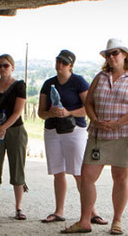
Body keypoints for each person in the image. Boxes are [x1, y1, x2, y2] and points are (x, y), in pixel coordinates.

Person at [62, 38, 128, 235]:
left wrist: (118, 123)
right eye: (108, 54)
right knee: (87, 176)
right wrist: (94, 119)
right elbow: (89, 102)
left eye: (114, 53)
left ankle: (117, 221)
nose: (111, 57)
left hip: (124, 133)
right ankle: (85, 220)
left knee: (120, 177)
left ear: (125, 54)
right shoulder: (100, 77)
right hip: (99, 134)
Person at [37, 49, 100, 223]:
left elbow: (89, 108)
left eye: (64, 63)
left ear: (71, 66)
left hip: (74, 130)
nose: (60, 65)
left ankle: (91, 212)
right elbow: (40, 113)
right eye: (58, 61)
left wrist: (68, 113)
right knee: (58, 172)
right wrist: (51, 113)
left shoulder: (78, 82)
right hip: (53, 130)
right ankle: (59, 211)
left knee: (79, 173)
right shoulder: (48, 83)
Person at [0, 53, 28, 220]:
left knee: (17, 168)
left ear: (12, 67)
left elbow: (17, 111)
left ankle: (18, 207)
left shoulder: (19, 86)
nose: (2, 69)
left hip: (14, 130)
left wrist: (3, 127)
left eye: (6, 65)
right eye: (0, 66)